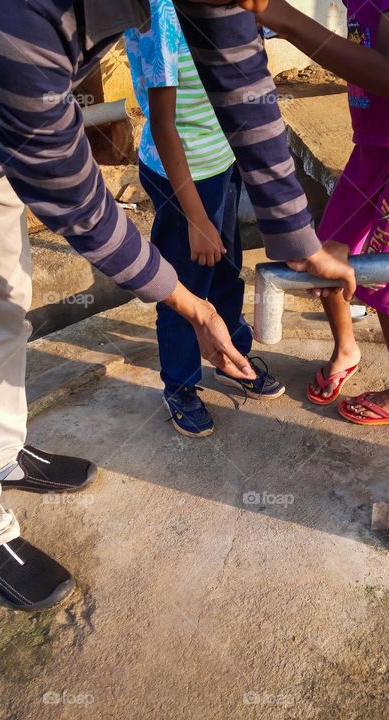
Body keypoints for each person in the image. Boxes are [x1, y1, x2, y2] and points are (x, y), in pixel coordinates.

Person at [0, 0, 351, 611]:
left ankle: (1, 451)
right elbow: (70, 192)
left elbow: (242, 79)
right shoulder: (14, 14)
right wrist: (190, 305)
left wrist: (298, 240)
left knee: (5, 304)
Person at [248, 0, 389, 425]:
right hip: (373, 142)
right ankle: (346, 349)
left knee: (387, 276)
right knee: (323, 250)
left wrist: (282, 17)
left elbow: (386, 73)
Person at [125, 0, 286, 439]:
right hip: (182, 176)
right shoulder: (161, 16)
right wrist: (196, 218)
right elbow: (163, 125)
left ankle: (231, 355)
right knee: (183, 287)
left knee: (228, 269)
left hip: (220, 163)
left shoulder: (219, 7)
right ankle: (179, 385)